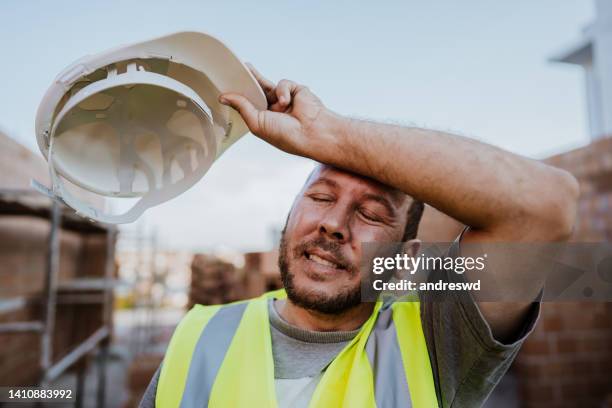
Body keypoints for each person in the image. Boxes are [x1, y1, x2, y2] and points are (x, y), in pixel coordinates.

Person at [141, 66, 578, 408]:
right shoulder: (199, 335)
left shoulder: (433, 345)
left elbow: (546, 206)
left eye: (370, 213)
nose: (334, 223)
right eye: (319, 196)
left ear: (404, 258)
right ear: (290, 213)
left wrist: (329, 134)